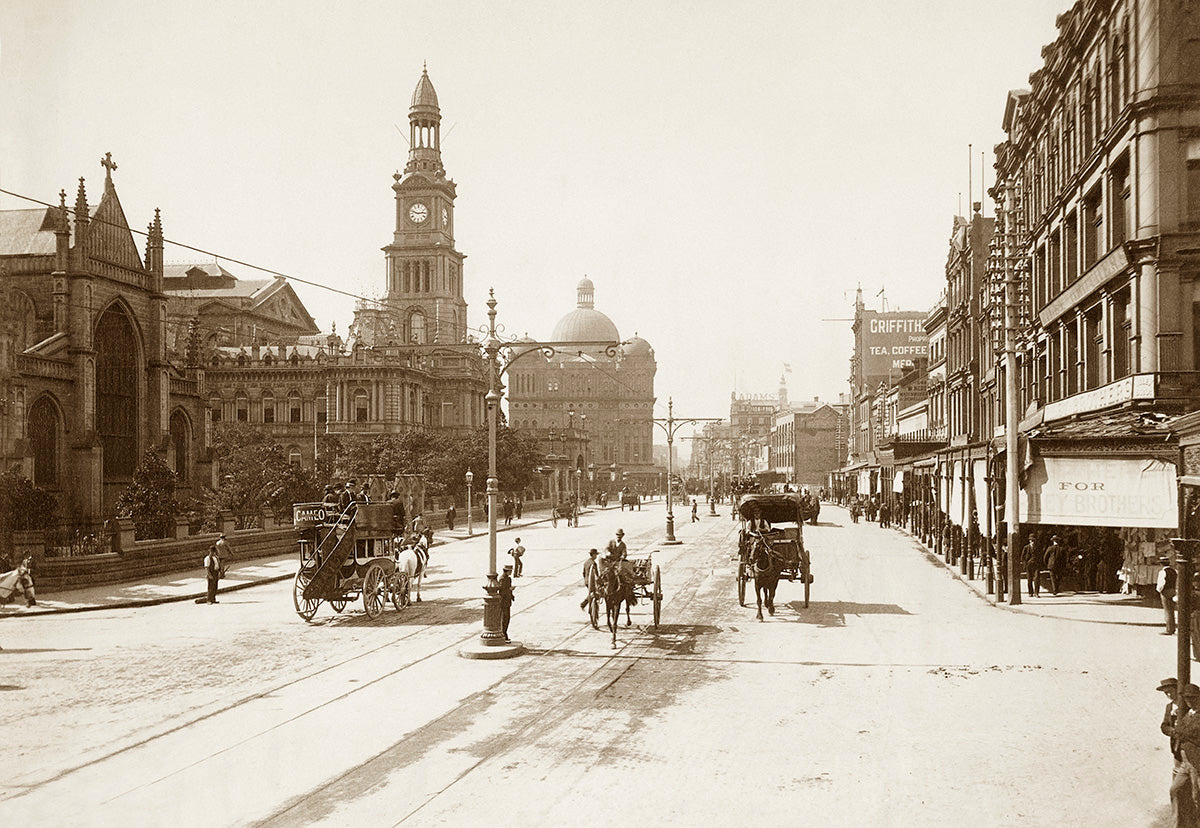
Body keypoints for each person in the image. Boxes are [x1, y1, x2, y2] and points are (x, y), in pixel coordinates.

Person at [1161, 556, 1180, 635]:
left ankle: (1169, 629)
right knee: (1171, 610)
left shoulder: (1162, 572)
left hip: (1165, 591)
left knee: (1167, 610)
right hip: (1173, 590)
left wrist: (1159, 590)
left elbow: (1161, 583)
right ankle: (1172, 627)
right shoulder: (1174, 571)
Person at [499, 565, 515, 642]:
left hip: (507, 601)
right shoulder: (502, 579)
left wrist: (512, 595)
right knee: (504, 619)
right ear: (506, 571)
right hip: (503, 602)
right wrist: (510, 589)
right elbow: (502, 591)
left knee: (507, 618)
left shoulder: (508, 579)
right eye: (510, 571)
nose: (511, 572)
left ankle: (504, 633)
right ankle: (503, 634)